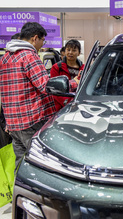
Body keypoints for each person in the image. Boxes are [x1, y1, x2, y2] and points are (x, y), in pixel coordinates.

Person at [0, 22, 78, 167]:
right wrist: (73, 83)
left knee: (21, 165)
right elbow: (45, 86)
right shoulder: (29, 56)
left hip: (14, 124)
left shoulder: (5, 59)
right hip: (32, 121)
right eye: (43, 40)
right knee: (41, 165)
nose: (42, 44)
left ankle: (18, 189)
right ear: (35, 38)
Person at [50, 39, 84, 111]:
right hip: (60, 107)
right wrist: (67, 102)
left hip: (79, 105)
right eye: (68, 50)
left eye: (74, 50)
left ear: (79, 53)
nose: (70, 53)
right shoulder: (56, 68)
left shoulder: (84, 68)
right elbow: (54, 90)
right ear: (64, 52)